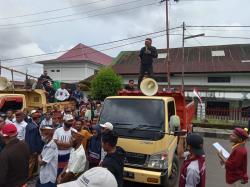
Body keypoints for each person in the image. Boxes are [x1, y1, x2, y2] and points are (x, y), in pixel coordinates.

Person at [25, 112, 44, 179]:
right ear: (38, 119)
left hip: (29, 148)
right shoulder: (34, 127)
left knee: (33, 163)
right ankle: (28, 177)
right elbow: (32, 140)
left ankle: (32, 174)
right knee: (31, 163)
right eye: (39, 118)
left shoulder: (29, 124)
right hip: (32, 149)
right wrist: (34, 150)